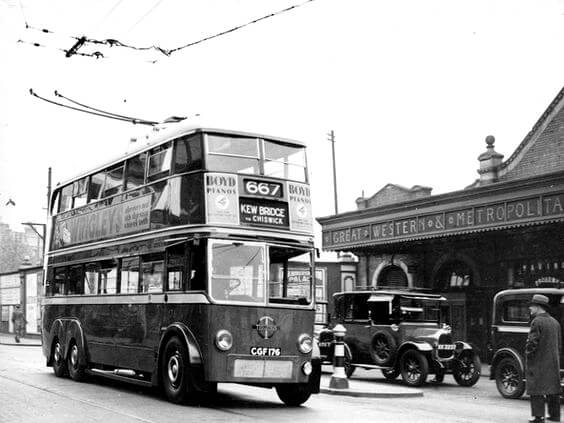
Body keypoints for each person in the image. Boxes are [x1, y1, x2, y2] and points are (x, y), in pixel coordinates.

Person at [526, 294, 562, 423]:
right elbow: (559, 344)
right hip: (553, 361)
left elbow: (532, 343)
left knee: (536, 388)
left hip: (538, 361)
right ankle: (555, 416)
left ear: (538, 307)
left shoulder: (536, 321)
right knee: (553, 388)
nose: (530, 308)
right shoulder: (555, 322)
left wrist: (528, 355)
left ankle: (538, 417)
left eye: (532, 305)